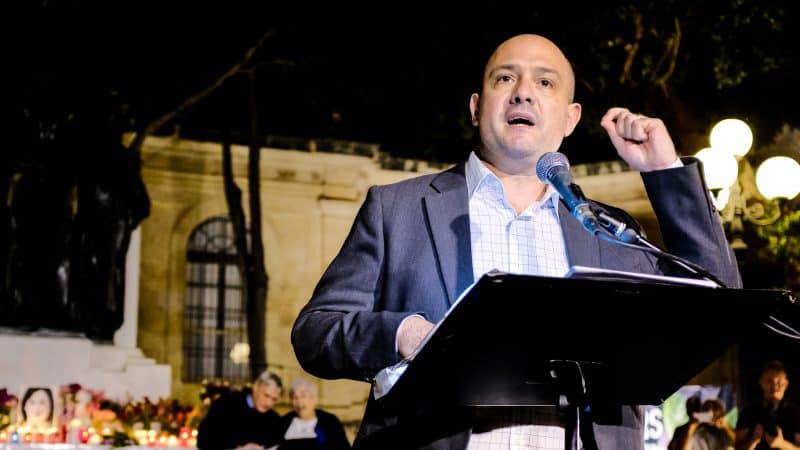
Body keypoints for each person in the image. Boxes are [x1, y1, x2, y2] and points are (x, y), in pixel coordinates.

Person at [291, 33, 742, 450]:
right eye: (505, 78)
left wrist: (665, 170)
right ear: (476, 107)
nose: (523, 92)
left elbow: (719, 300)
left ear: (570, 118)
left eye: (545, 82)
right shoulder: (397, 209)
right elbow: (316, 331)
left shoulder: (609, 229)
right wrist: (403, 334)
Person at [196, 370, 284, 450]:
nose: (269, 403)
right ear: (255, 387)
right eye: (266, 395)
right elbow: (203, 441)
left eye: (274, 399)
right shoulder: (225, 405)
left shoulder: (274, 419)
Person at [736, 360, 800, 450]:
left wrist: (782, 444)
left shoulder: (796, 412)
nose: (775, 387)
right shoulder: (748, 412)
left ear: (786, 384)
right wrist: (754, 440)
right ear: (761, 382)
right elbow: (737, 447)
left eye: (779, 382)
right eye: (769, 381)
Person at [277, 378, 351, 450]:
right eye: (294, 397)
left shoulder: (330, 422)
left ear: (314, 399)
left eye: (303, 396)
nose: (298, 401)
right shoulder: (283, 423)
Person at [671, 398, 735, 450]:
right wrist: (691, 427)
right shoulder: (691, 431)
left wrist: (726, 426)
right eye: (706, 413)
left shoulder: (723, 432)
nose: (710, 418)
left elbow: (737, 443)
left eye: (715, 415)